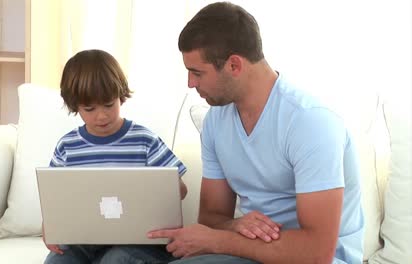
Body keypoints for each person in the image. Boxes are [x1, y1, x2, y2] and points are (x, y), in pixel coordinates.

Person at [148, 2, 364, 263]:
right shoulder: (215, 121)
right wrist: (234, 226)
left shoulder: (310, 122)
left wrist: (219, 239)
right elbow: (211, 218)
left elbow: (316, 252)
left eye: (197, 73)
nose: (191, 83)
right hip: (251, 253)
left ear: (234, 65)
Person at [43, 49, 188, 264]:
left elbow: (181, 191)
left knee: (116, 259)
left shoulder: (144, 140)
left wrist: (165, 187)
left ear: (120, 96)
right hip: (84, 240)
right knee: (57, 261)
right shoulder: (68, 146)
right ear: (76, 106)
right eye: (90, 109)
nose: (101, 115)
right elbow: (53, 198)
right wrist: (49, 226)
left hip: (138, 243)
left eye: (109, 105)